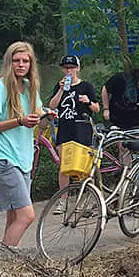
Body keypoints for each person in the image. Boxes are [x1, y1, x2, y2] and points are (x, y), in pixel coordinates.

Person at [0, 41, 48, 249]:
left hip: (23, 159)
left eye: (25, 61)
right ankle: (1, 261)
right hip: (1, 158)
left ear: (31, 64)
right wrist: (18, 121)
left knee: (15, 215)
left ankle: (7, 261)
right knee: (27, 215)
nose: (21, 65)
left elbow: (39, 123)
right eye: (16, 61)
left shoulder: (29, 88)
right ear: (9, 63)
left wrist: (47, 117)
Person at [47, 54, 99, 212]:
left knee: (83, 165)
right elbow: (52, 106)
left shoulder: (86, 86)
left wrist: (88, 102)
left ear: (78, 68)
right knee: (64, 164)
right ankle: (63, 200)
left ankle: (86, 198)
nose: (69, 71)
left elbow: (96, 108)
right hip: (65, 127)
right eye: (66, 68)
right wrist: (61, 90)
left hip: (82, 127)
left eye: (72, 67)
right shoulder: (60, 86)